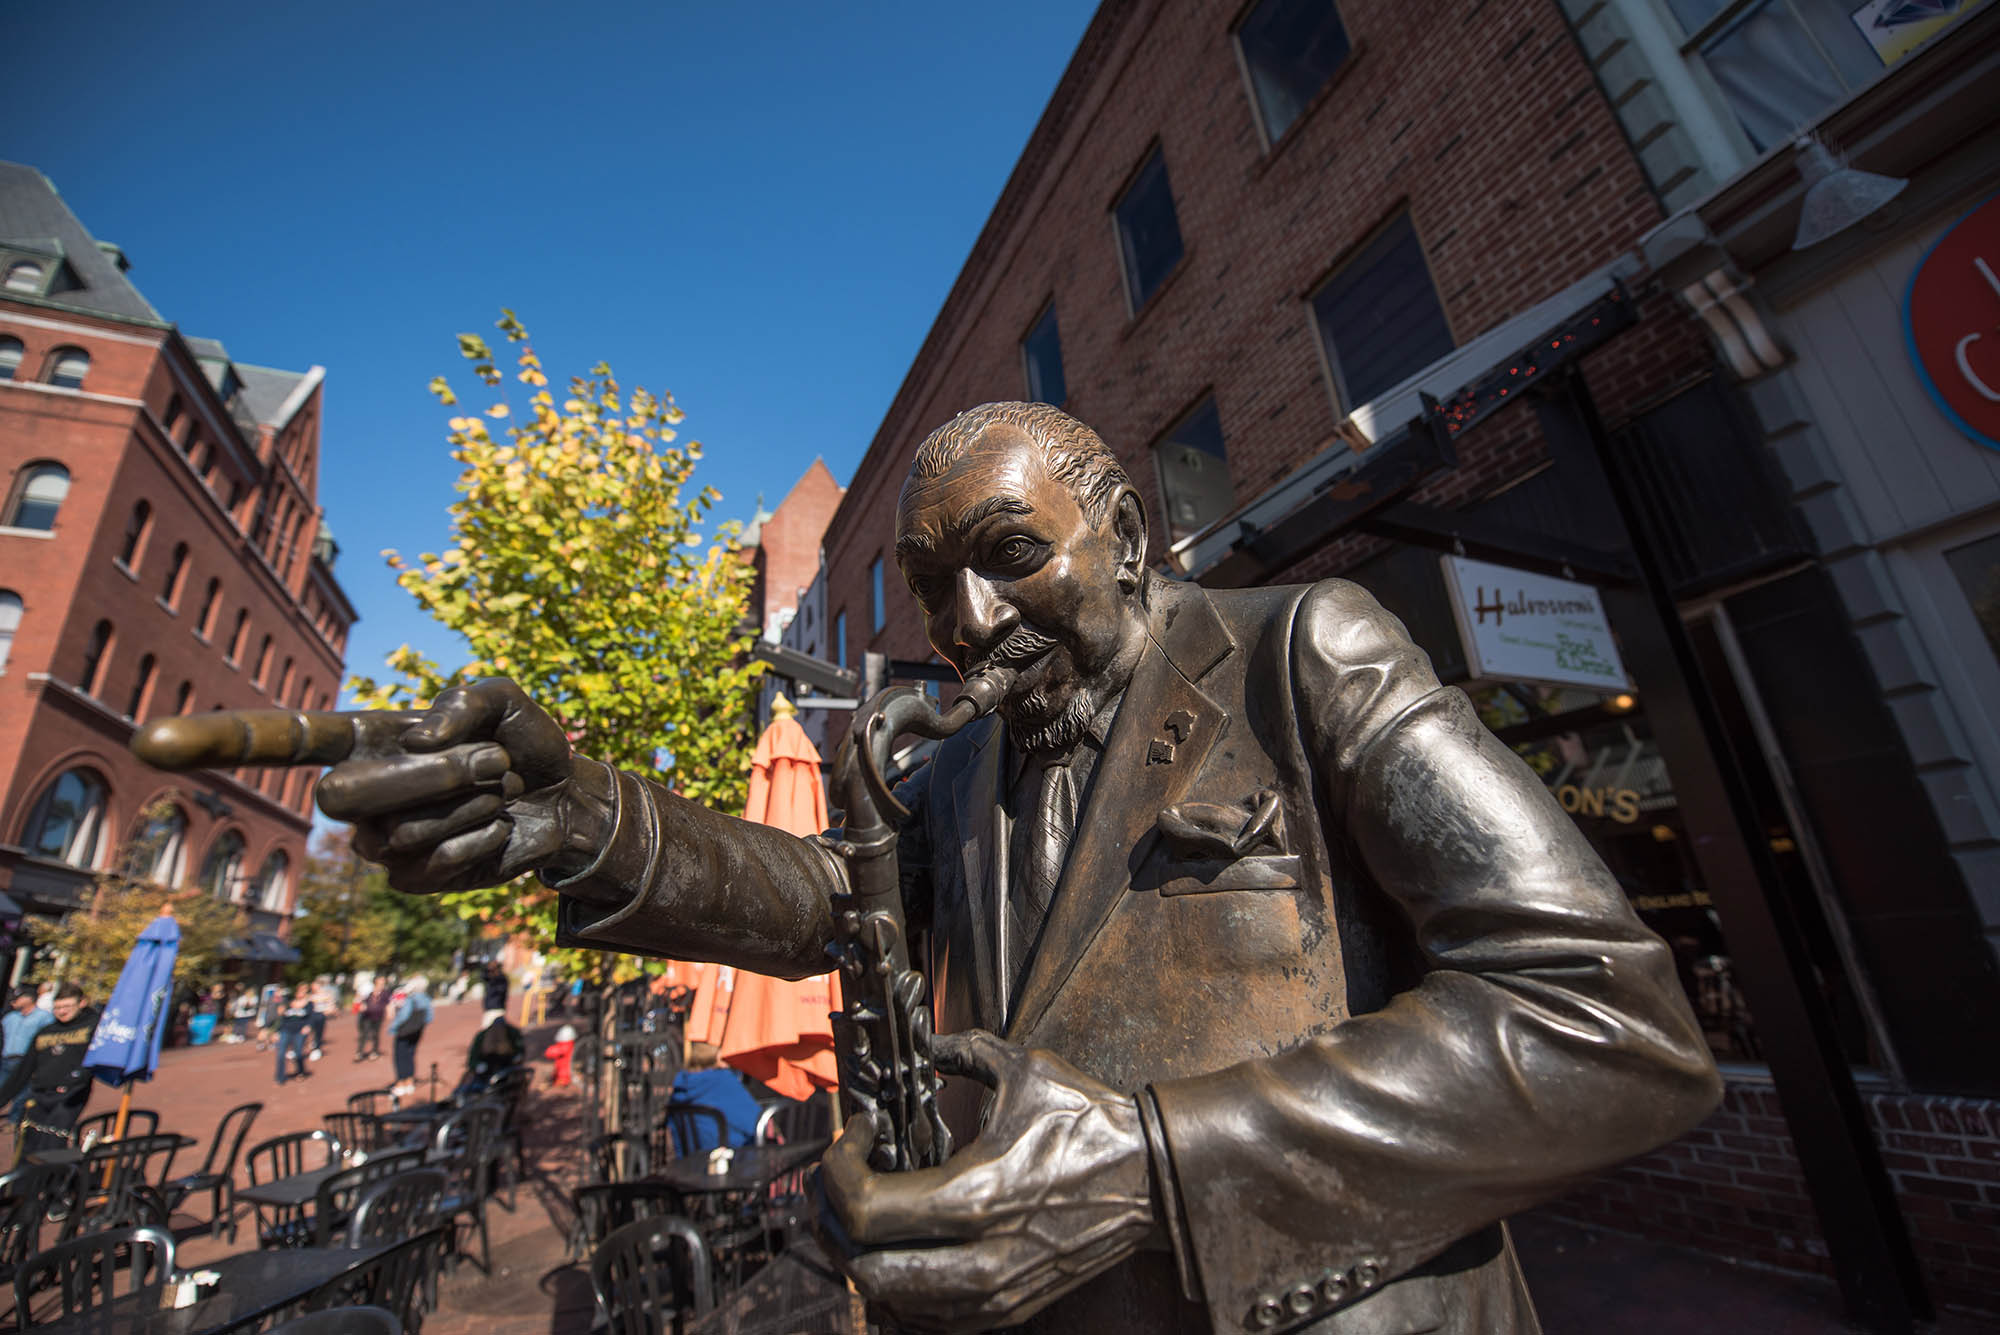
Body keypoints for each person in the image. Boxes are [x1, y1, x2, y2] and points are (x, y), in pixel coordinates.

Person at [168, 402, 1721, 1333]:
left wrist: (1151, 1163)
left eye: (1011, 554)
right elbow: (822, 901)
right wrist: (578, 819)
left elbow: (1607, 1021)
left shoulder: (1305, 648)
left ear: (1130, 535)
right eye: (930, 584)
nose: (967, 622)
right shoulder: (964, 761)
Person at [0, 983, 99, 1156]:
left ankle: (54, 1173)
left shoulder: (92, 1028)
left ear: (81, 1003)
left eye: (67, 1006)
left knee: (52, 1146)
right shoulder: (46, 1031)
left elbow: (94, 1062)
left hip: (69, 1097)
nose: (62, 1012)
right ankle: (25, 1173)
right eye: (57, 1008)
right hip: (39, 1095)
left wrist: (77, 1079)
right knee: (27, 1146)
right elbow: (24, 1070)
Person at [665, 1041, 763, 1156]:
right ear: (718, 1055)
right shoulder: (723, 1081)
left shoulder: (681, 1086)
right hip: (733, 1159)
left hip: (692, 1160)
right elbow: (757, 1123)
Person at [1, 987, 54, 1130]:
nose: (13, 1001)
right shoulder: (10, 1017)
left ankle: (13, 1121)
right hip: (6, 1060)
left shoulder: (44, 1017)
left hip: (27, 1063)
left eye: (18, 998)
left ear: (29, 999)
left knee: (22, 1095)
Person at [459, 1008, 524, 1096]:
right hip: (487, 1067)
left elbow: (520, 1050)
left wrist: (517, 1058)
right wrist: (477, 1065)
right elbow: (472, 1059)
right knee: (471, 1084)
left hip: (505, 1066)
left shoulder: (512, 1033)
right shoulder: (482, 1036)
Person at [389, 975, 432, 1099]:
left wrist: (393, 1027)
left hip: (405, 1031)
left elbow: (403, 1016)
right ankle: (409, 1082)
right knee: (410, 1055)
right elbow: (429, 1017)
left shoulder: (411, 998)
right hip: (417, 1031)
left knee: (400, 1056)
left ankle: (401, 1083)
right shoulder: (426, 998)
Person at [274, 984, 314, 1085]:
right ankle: (280, 1077)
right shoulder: (288, 1003)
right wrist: (277, 1032)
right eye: (299, 991)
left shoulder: (309, 1004)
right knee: (281, 1053)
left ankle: (300, 1072)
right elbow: (281, 1018)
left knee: (298, 1053)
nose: (300, 994)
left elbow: (311, 1017)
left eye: (303, 992)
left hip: (299, 1031)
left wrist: (308, 1026)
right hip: (286, 1030)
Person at [355, 977, 390, 1062]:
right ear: (375, 983)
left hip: (378, 1016)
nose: (382, 985)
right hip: (367, 1016)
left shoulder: (385, 993)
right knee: (364, 1034)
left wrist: (389, 1013)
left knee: (375, 1034)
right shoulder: (368, 991)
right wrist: (361, 1005)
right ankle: (359, 1052)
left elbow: (388, 1004)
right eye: (380, 983)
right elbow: (359, 999)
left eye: (383, 983)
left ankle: (374, 1051)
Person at [544, 1023, 577, 1088]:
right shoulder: (569, 1045)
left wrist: (549, 1050)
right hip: (563, 1074)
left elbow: (549, 1053)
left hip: (563, 1076)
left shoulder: (565, 1046)